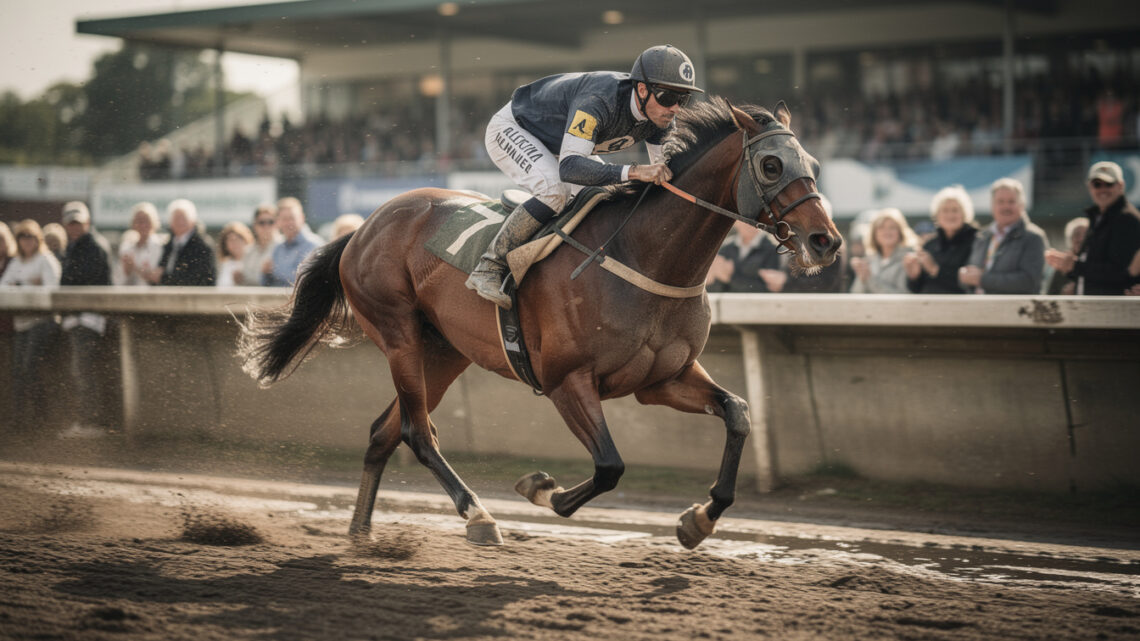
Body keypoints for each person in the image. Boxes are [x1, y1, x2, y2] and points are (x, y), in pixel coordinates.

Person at [466, 44, 703, 309]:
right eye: (668, 97)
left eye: (683, 99)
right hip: (515, 128)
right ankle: (489, 266)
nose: (675, 109)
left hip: (562, 144)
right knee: (555, 191)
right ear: (642, 89)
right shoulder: (599, 100)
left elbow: (666, 179)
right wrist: (635, 172)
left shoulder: (659, 116)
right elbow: (571, 169)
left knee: (602, 197)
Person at [58, 201, 114, 438]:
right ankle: (88, 421)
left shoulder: (92, 246)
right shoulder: (76, 246)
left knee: (84, 371)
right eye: (71, 223)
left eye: (78, 223)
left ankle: (91, 422)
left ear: (87, 222)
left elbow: (82, 281)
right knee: (82, 371)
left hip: (88, 318)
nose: (74, 227)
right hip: (79, 318)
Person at [0, 220, 61, 433]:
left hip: (41, 322)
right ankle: (19, 419)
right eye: (22, 237)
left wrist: (20, 286)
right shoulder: (17, 262)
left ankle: (40, 417)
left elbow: (51, 290)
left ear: (38, 239)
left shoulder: (46, 259)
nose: (26, 241)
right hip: (21, 323)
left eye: (30, 237)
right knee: (18, 372)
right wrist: (28, 284)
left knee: (30, 367)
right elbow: (3, 287)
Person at [1044, 161, 1140, 295]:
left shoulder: (1127, 219)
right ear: (1089, 187)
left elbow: (1121, 273)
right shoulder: (1099, 217)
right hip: (1097, 305)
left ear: (1121, 186)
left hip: (1114, 306)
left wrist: (1075, 266)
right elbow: (1094, 269)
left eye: (1109, 184)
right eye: (1097, 184)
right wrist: (1068, 267)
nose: (1103, 189)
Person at [959, 178, 1048, 294]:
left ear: (1022, 205)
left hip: (1014, 305)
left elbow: (1029, 281)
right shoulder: (982, 236)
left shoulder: (1033, 237)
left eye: (1011, 201)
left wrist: (982, 279)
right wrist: (964, 277)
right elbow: (972, 275)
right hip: (979, 304)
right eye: (1000, 202)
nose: (1006, 207)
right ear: (992, 205)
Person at [904, 185, 978, 294]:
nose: (950, 215)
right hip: (929, 303)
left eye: (955, 210)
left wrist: (935, 270)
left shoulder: (976, 241)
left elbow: (971, 283)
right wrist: (914, 275)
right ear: (937, 215)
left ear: (965, 214)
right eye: (945, 210)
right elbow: (916, 289)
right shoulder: (929, 245)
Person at [849, 208, 916, 294]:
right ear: (874, 233)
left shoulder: (909, 260)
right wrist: (862, 276)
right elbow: (856, 294)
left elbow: (903, 295)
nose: (887, 231)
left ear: (900, 232)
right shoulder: (869, 260)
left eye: (892, 227)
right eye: (881, 227)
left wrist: (869, 279)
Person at [706, 221, 784, 293]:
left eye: (752, 220)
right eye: (743, 220)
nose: (748, 224)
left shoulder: (773, 248)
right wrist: (712, 278)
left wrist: (729, 278)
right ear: (735, 222)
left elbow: (771, 289)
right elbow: (715, 287)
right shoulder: (726, 248)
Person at [262, 197, 322, 287]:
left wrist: (274, 270)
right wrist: (265, 273)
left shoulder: (314, 245)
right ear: (278, 221)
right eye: (284, 219)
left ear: (302, 218)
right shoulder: (278, 247)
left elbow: (302, 278)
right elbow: (265, 282)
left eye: (292, 218)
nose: (288, 223)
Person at [157, 198, 216, 286]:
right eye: (176, 218)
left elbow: (197, 278)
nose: (179, 222)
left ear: (193, 220)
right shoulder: (168, 244)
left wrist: (163, 278)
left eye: (183, 218)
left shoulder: (203, 246)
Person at [116, 202, 165, 286]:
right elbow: (118, 279)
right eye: (139, 221)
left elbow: (155, 278)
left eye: (146, 220)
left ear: (154, 222)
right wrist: (127, 270)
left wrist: (134, 267)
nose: (142, 224)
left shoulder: (161, 246)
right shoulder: (126, 247)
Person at [1046, 217, 1089, 295]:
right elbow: (1051, 294)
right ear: (1070, 239)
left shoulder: (1097, 264)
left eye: (1085, 235)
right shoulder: (1062, 265)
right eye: (1077, 234)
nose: (1081, 239)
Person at [241, 204, 279, 288]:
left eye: (271, 222)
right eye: (262, 223)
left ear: (277, 223)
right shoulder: (248, 251)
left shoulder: (283, 248)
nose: (266, 226)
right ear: (255, 225)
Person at [216, 221, 254, 287]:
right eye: (231, 240)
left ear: (245, 240)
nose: (235, 243)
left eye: (238, 239)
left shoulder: (253, 260)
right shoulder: (224, 264)